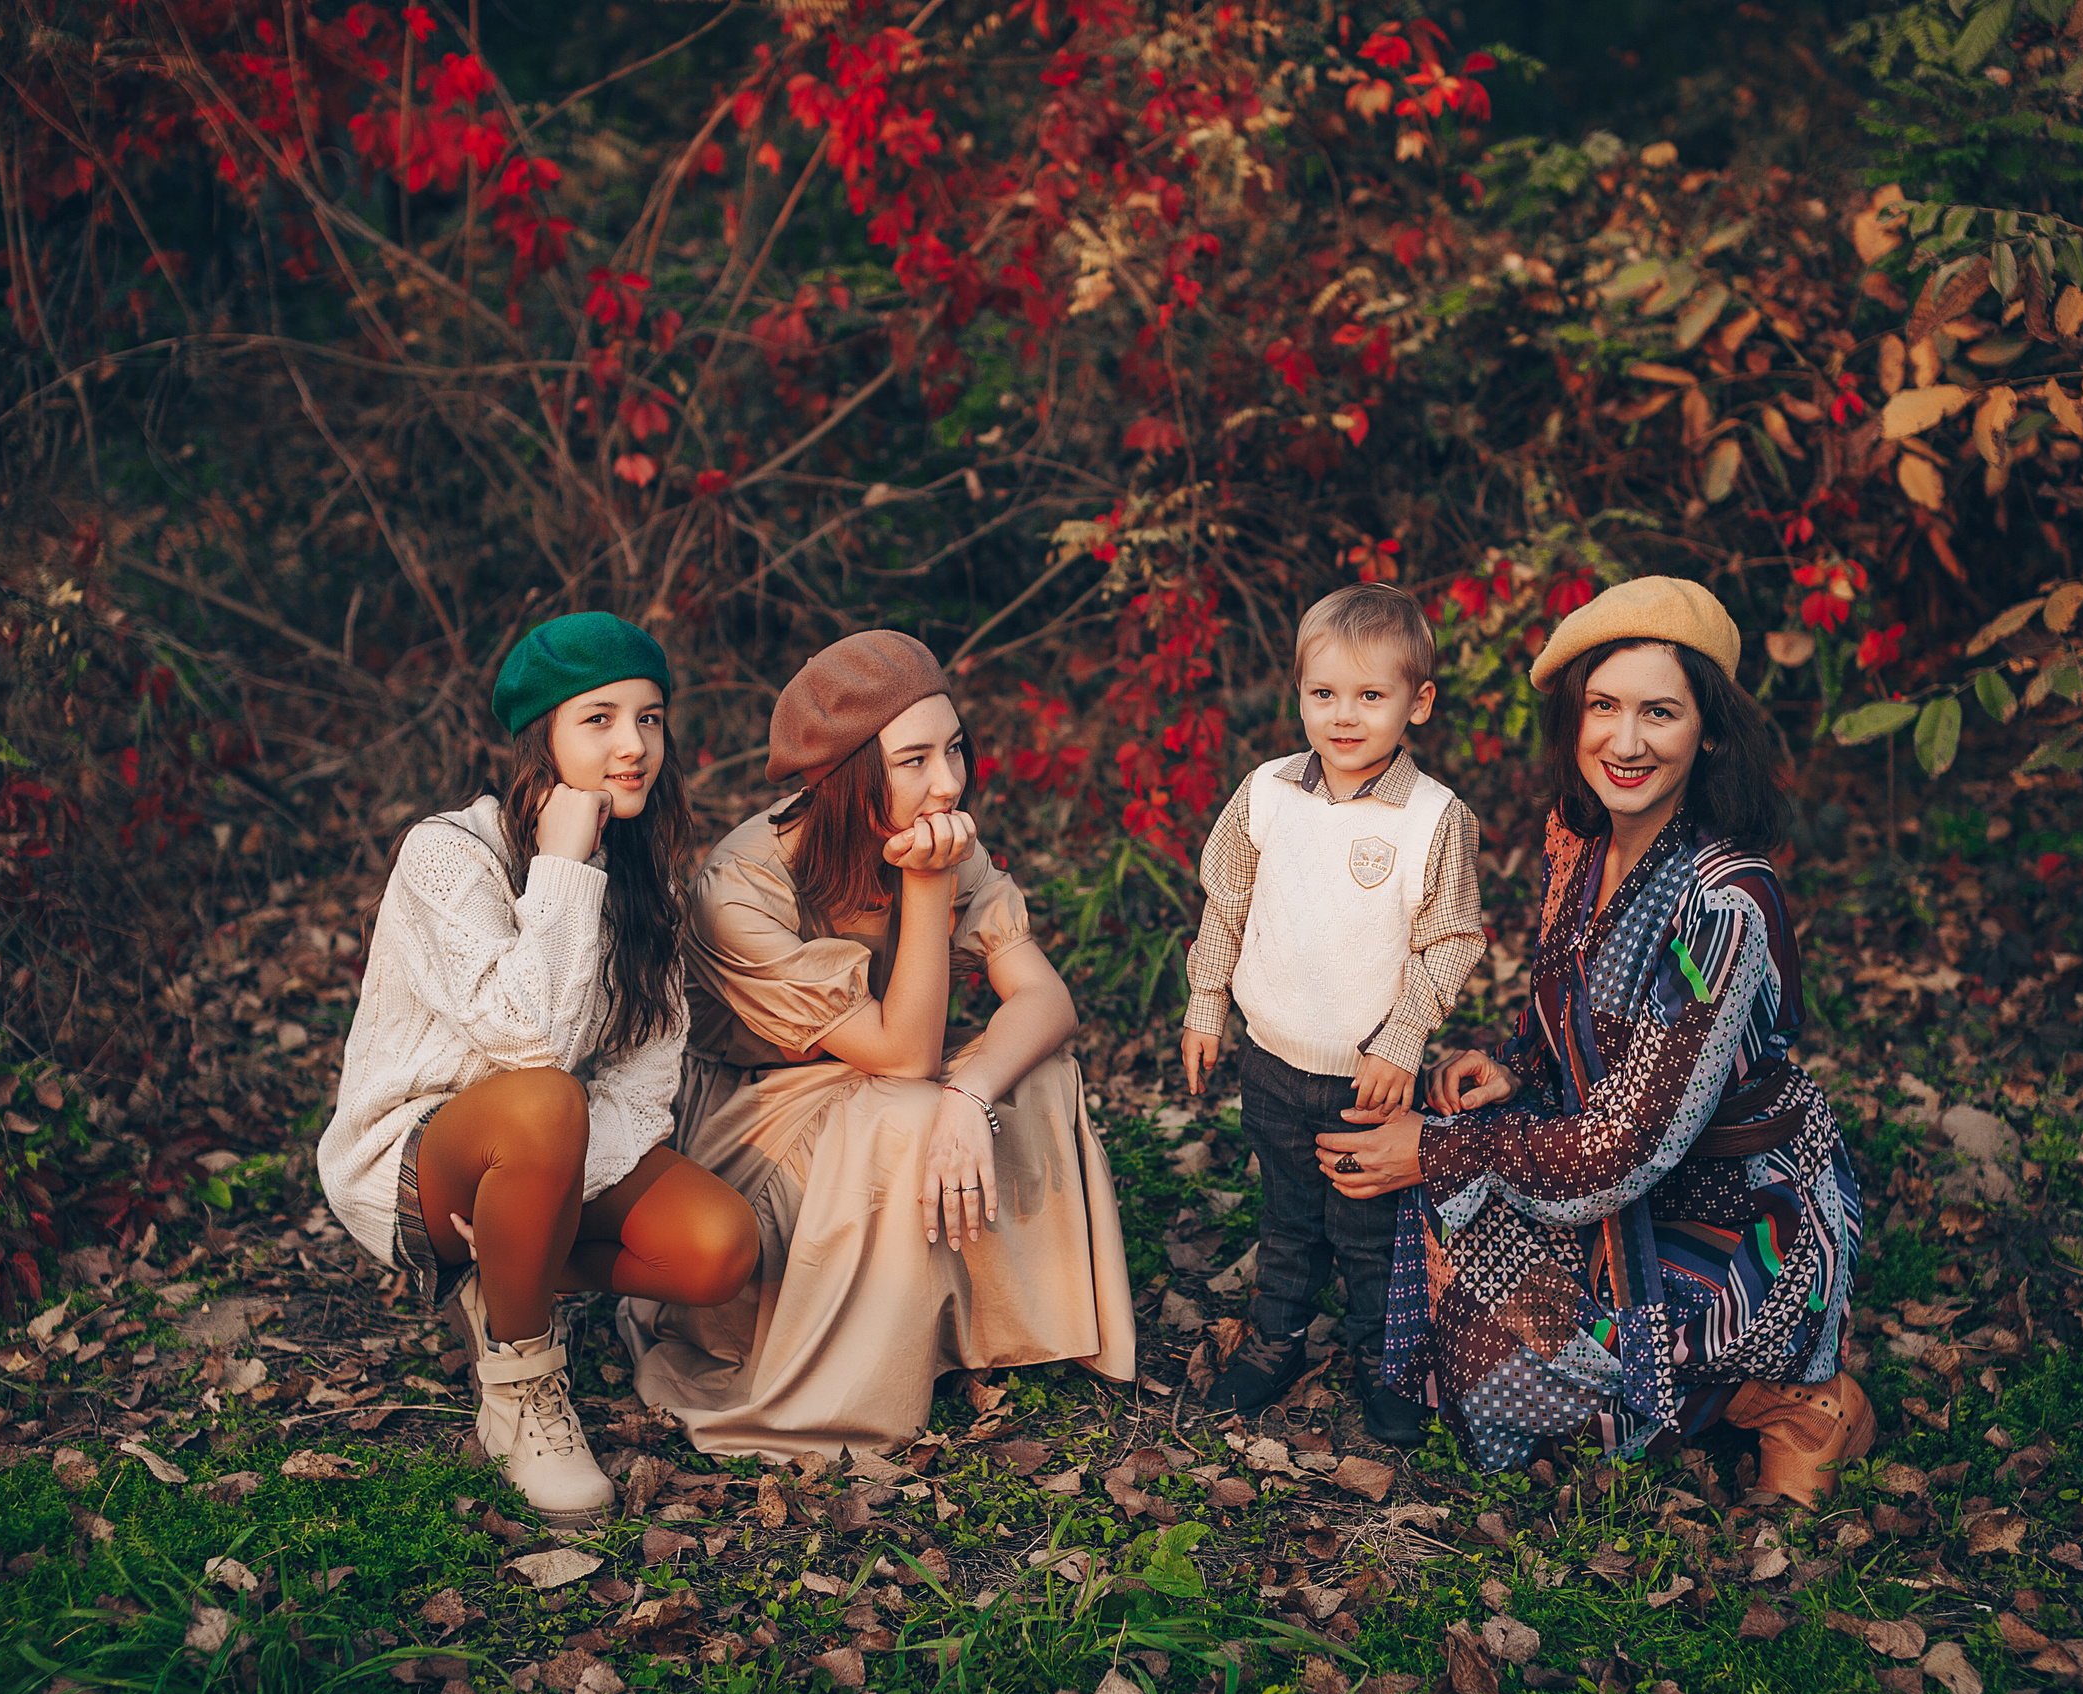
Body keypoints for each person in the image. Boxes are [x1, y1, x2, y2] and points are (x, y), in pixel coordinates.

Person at [1313, 577, 1873, 1506]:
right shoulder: (1581, 842)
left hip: (1728, 1215)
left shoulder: (1722, 904)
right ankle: (1678, 1383)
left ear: (1711, 730)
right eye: (1603, 707)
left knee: (1502, 1361)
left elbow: (1628, 1147)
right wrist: (1508, 1069)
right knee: (1456, 1283)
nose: (1626, 740)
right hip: (1606, 1174)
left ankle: (1786, 1392)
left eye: (1660, 711)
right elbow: (1562, 1023)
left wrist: (1437, 1149)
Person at [619, 630, 1134, 1460]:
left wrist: (973, 1092)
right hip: (754, 1124)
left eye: (956, 749)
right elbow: (905, 1056)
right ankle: (854, 1367)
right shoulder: (740, 886)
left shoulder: (931, 831)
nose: (949, 781)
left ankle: (981, 1328)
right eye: (915, 760)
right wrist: (926, 888)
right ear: (850, 774)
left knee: (1029, 1074)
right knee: (910, 1105)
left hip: (888, 1079)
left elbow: (1045, 997)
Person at [317, 613, 760, 1530]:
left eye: (651, 718)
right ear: (542, 737)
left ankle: (510, 1271)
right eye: (598, 720)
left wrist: (547, 1202)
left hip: (541, 1145)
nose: (633, 746)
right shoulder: (448, 854)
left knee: (721, 1244)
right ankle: (522, 1387)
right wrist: (561, 864)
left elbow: (643, 1077)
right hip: (414, 1160)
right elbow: (531, 1042)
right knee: (547, 1097)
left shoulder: (647, 886)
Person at [1179, 583, 1485, 1447]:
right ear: (1300, 693)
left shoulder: (1434, 818)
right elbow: (1225, 902)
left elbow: (1452, 939)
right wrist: (1206, 1002)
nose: (1344, 717)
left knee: (1366, 1231)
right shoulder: (1267, 793)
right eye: (1324, 694)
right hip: (1272, 1059)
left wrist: (1402, 1037)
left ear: (1417, 702)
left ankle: (1380, 1360)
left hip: (1368, 1076)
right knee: (1288, 1215)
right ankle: (1274, 1338)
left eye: (1371, 695)